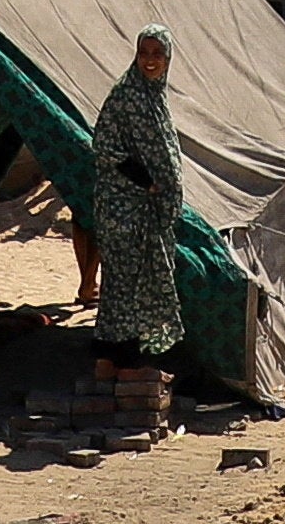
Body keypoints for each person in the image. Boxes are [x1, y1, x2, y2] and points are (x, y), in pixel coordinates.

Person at [86, 29, 185, 417]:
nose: (149, 59)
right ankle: (120, 360)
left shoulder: (154, 96)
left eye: (157, 53)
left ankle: (115, 359)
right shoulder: (128, 95)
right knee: (124, 283)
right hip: (123, 208)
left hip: (143, 210)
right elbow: (105, 145)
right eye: (144, 52)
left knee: (127, 283)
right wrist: (146, 181)